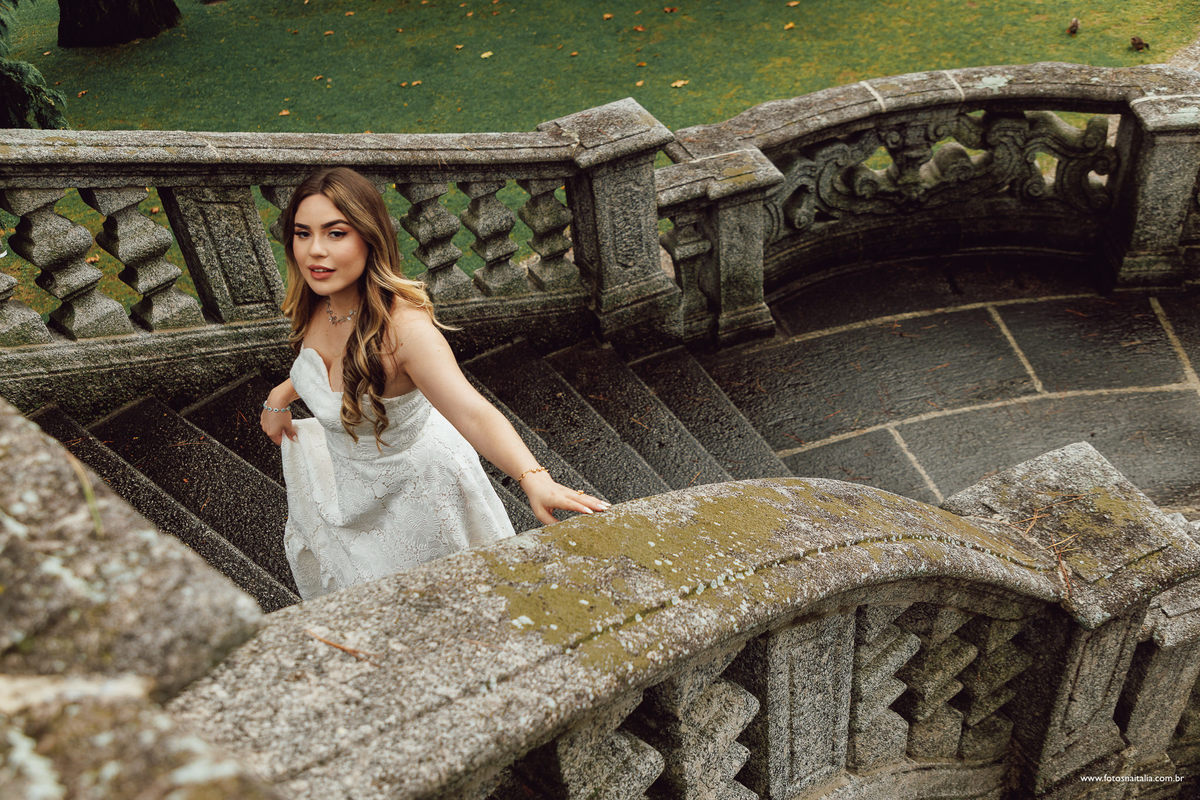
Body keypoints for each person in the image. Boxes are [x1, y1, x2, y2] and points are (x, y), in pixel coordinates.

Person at [260, 166, 608, 599]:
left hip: (415, 495)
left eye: (335, 233)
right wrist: (281, 395)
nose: (314, 251)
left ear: (370, 238)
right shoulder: (317, 304)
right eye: (302, 233)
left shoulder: (405, 331)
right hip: (349, 481)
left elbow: (471, 410)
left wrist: (533, 476)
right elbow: (325, 370)